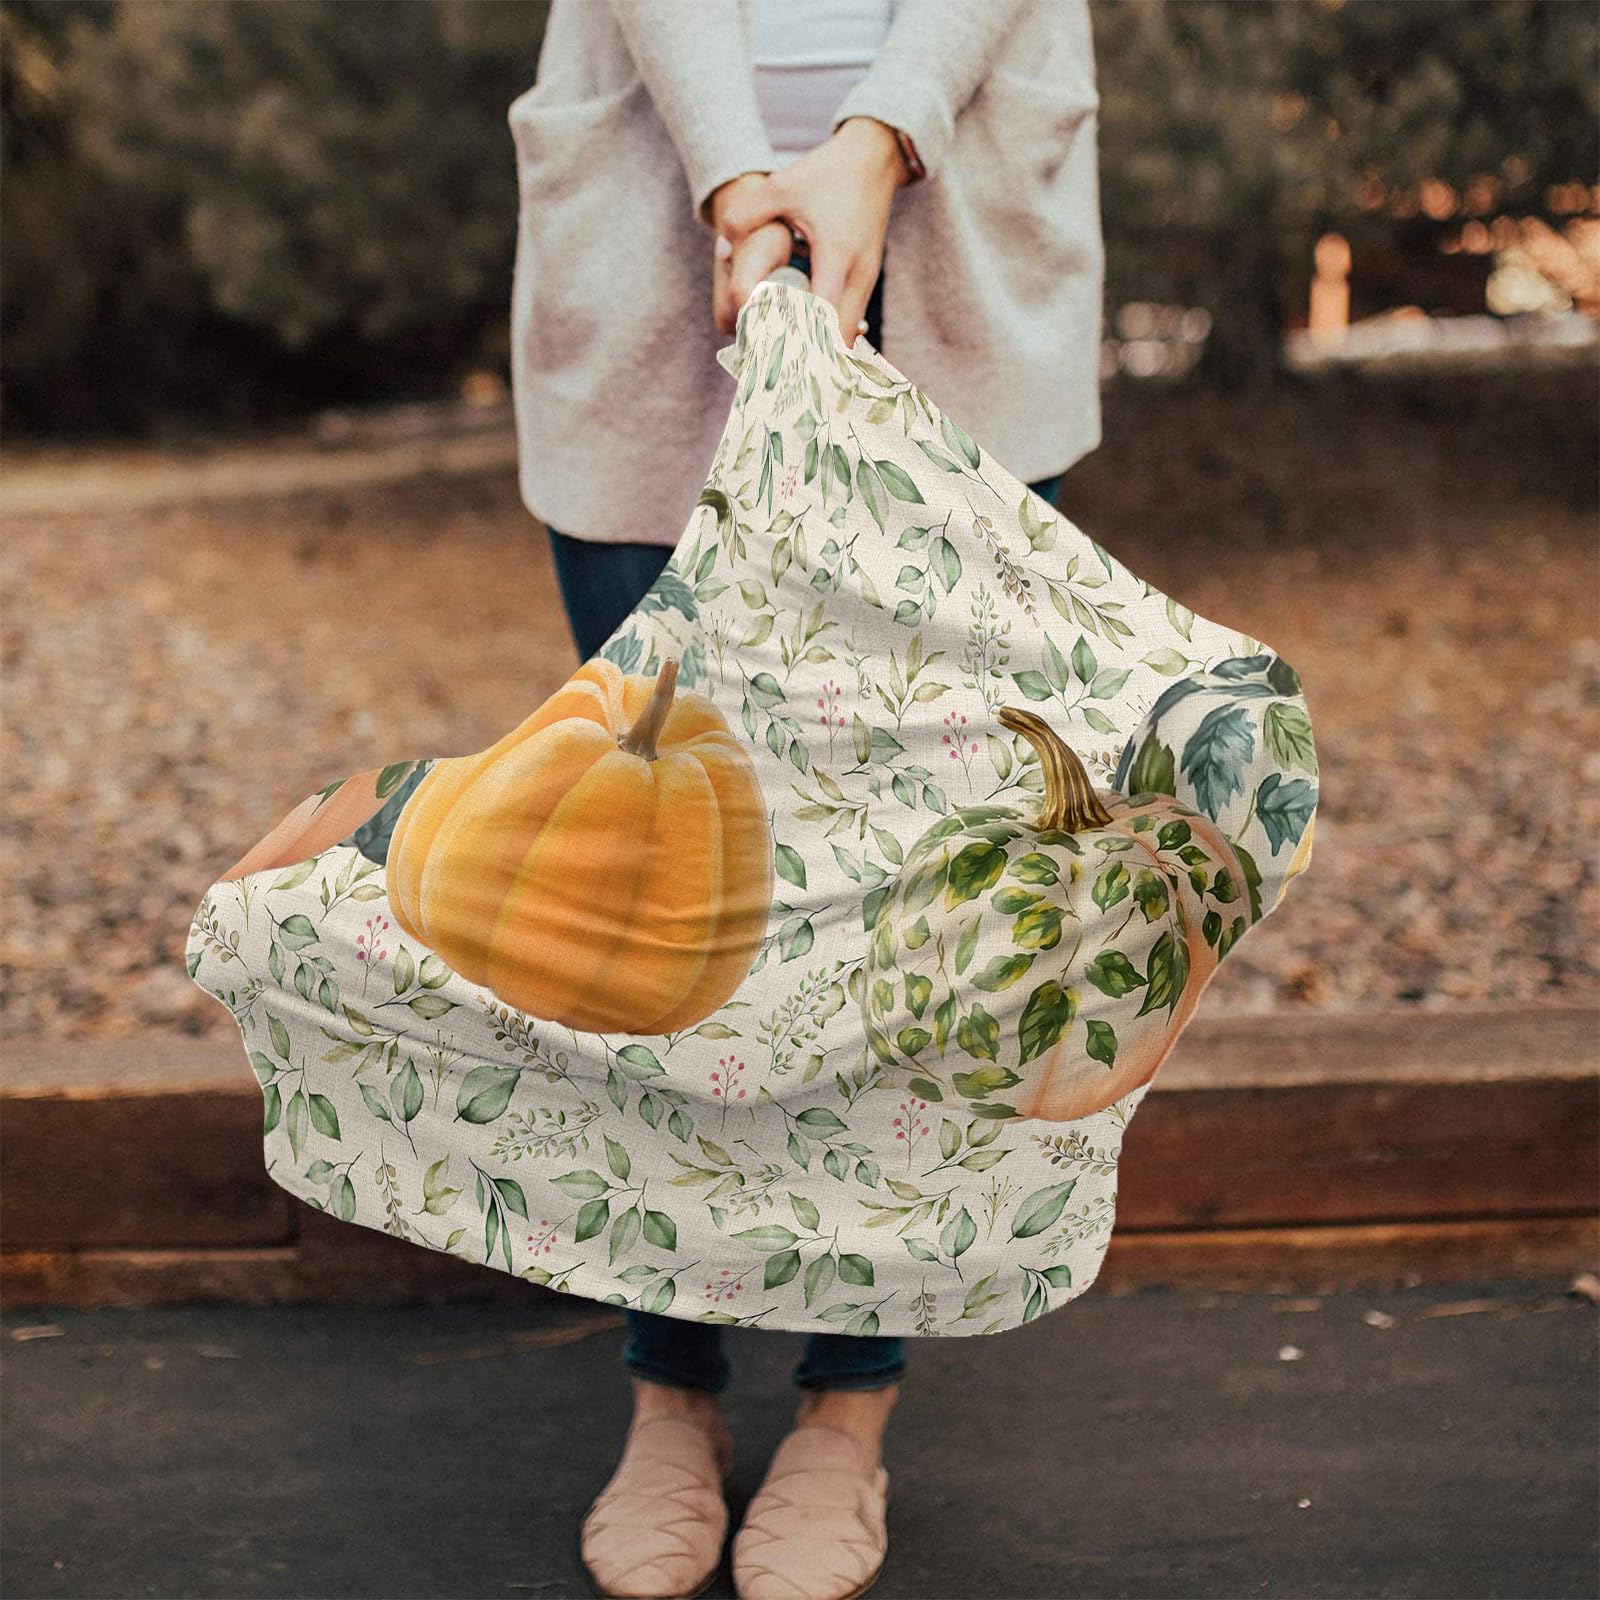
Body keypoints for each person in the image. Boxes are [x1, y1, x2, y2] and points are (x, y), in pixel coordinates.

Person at [505, 3, 1104, 1595]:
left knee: (915, 882)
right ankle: (670, 1388)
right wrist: (733, 177)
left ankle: (849, 1404)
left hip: (958, 222)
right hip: (657, 221)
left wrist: (877, 136)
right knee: (657, 870)